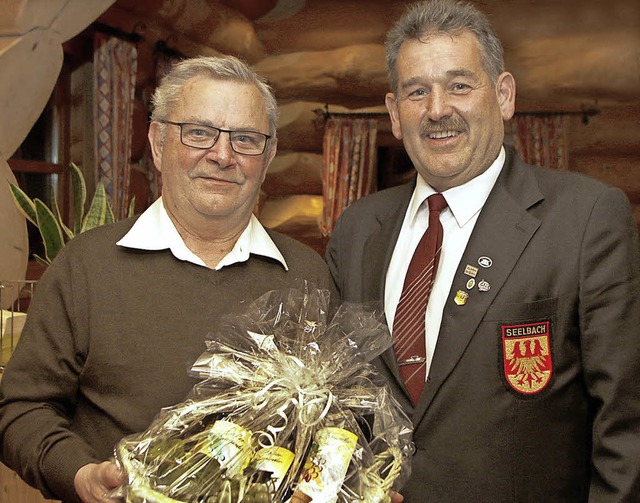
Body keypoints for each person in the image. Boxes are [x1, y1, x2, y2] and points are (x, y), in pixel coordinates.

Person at [326, 0, 640, 501]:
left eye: (459, 85)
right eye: (417, 92)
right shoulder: (357, 230)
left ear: (504, 94)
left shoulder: (585, 218)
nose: (437, 109)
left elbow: (626, 424)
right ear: (394, 114)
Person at [0, 55, 336, 503]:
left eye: (245, 139)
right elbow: (21, 408)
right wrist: (80, 474)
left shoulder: (306, 272)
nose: (222, 155)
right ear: (157, 143)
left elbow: (337, 418)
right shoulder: (86, 267)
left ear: (269, 154)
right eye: (198, 132)